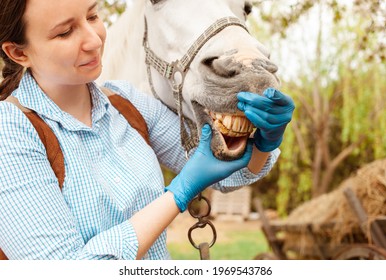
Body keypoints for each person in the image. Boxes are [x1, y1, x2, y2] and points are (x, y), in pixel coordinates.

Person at [0, 0, 294, 260]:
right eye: (65, 32)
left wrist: (263, 143)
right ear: (18, 52)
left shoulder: (127, 104)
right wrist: (178, 192)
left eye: (91, 16)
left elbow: (229, 173)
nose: (93, 40)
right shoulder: (11, 130)